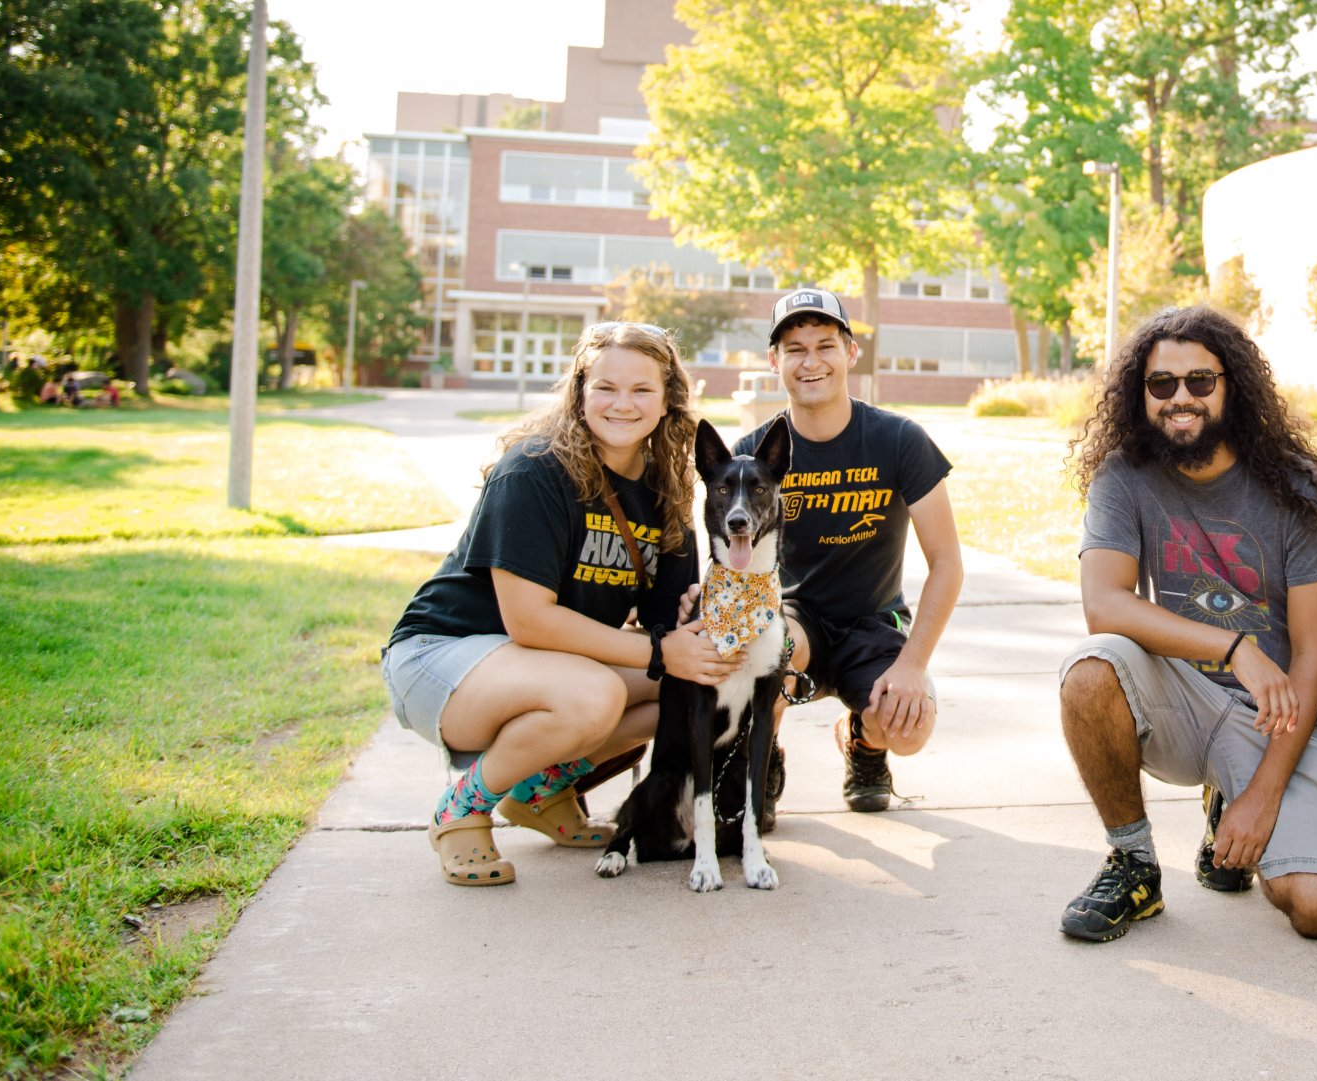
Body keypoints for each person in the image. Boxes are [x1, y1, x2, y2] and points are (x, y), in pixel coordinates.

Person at [1055, 305, 1317, 943]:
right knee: (1090, 671)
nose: (1181, 398)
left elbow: (1314, 659)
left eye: (1200, 382)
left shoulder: (1300, 488)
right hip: (1180, 698)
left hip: (1274, 714)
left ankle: (1233, 802)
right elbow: (1106, 604)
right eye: (1161, 384)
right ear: (1139, 394)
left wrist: (1261, 796)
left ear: (1232, 386)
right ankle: (1134, 864)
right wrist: (1234, 648)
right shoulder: (1123, 477)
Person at [382, 321, 738, 886]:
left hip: (542, 665)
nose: (623, 404)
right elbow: (529, 619)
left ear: (669, 399)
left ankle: (537, 791)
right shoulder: (535, 470)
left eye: (642, 390)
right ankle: (461, 808)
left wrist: (712, 629)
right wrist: (656, 649)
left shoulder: (665, 490)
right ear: (579, 391)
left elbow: (670, 624)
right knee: (594, 696)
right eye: (606, 387)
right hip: (442, 658)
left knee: (707, 681)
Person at [738, 288, 963, 812]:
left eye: (825, 345)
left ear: (851, 353)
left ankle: (862, 740)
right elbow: (735, 570)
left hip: (873, 620)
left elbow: (948, 563)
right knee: (765, 651)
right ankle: (761, 755)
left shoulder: (899, 439)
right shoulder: (752, 453)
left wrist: (912, 665)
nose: (810, 361)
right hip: (796, 615)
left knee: (909, 729)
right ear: (775, 360)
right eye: (795, 348)